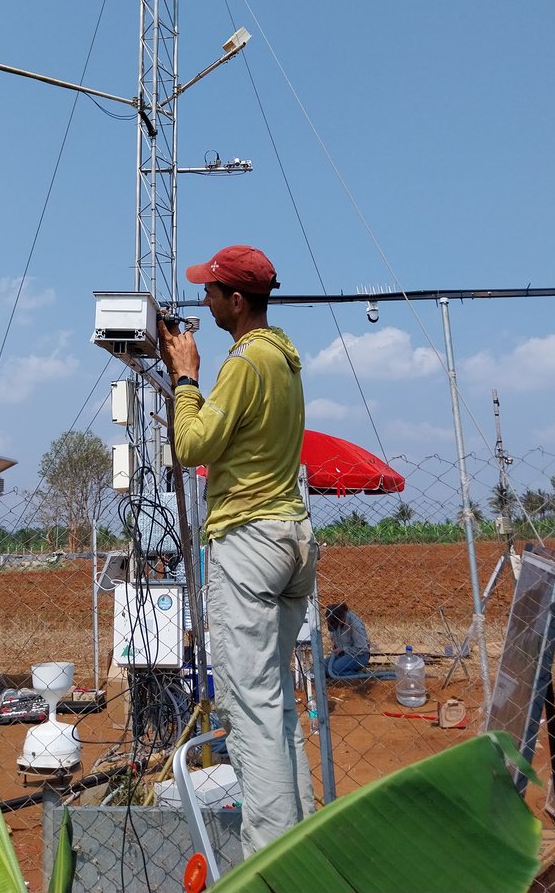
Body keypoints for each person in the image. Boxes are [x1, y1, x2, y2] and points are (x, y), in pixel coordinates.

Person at [158, 244, 318, 857]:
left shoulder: (246, 363)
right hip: (289, 537)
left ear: (237, 300)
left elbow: (193, 444)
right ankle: (301, 845)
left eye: (212, 291)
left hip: (249, 540)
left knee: (250, 711)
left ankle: (268, 861)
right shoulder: (284, 361)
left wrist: (186, 376)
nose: (203, 299)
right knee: (273, 702)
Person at [324, 602, 370, 677]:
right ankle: (343, 671)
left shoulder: (355, 625)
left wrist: (343, 649)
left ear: (342, 618)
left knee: (335, 670)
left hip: (359, 655)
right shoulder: (334, 619)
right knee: (323, 669)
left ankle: (361, 676)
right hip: (342, 653)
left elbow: (362, 649)